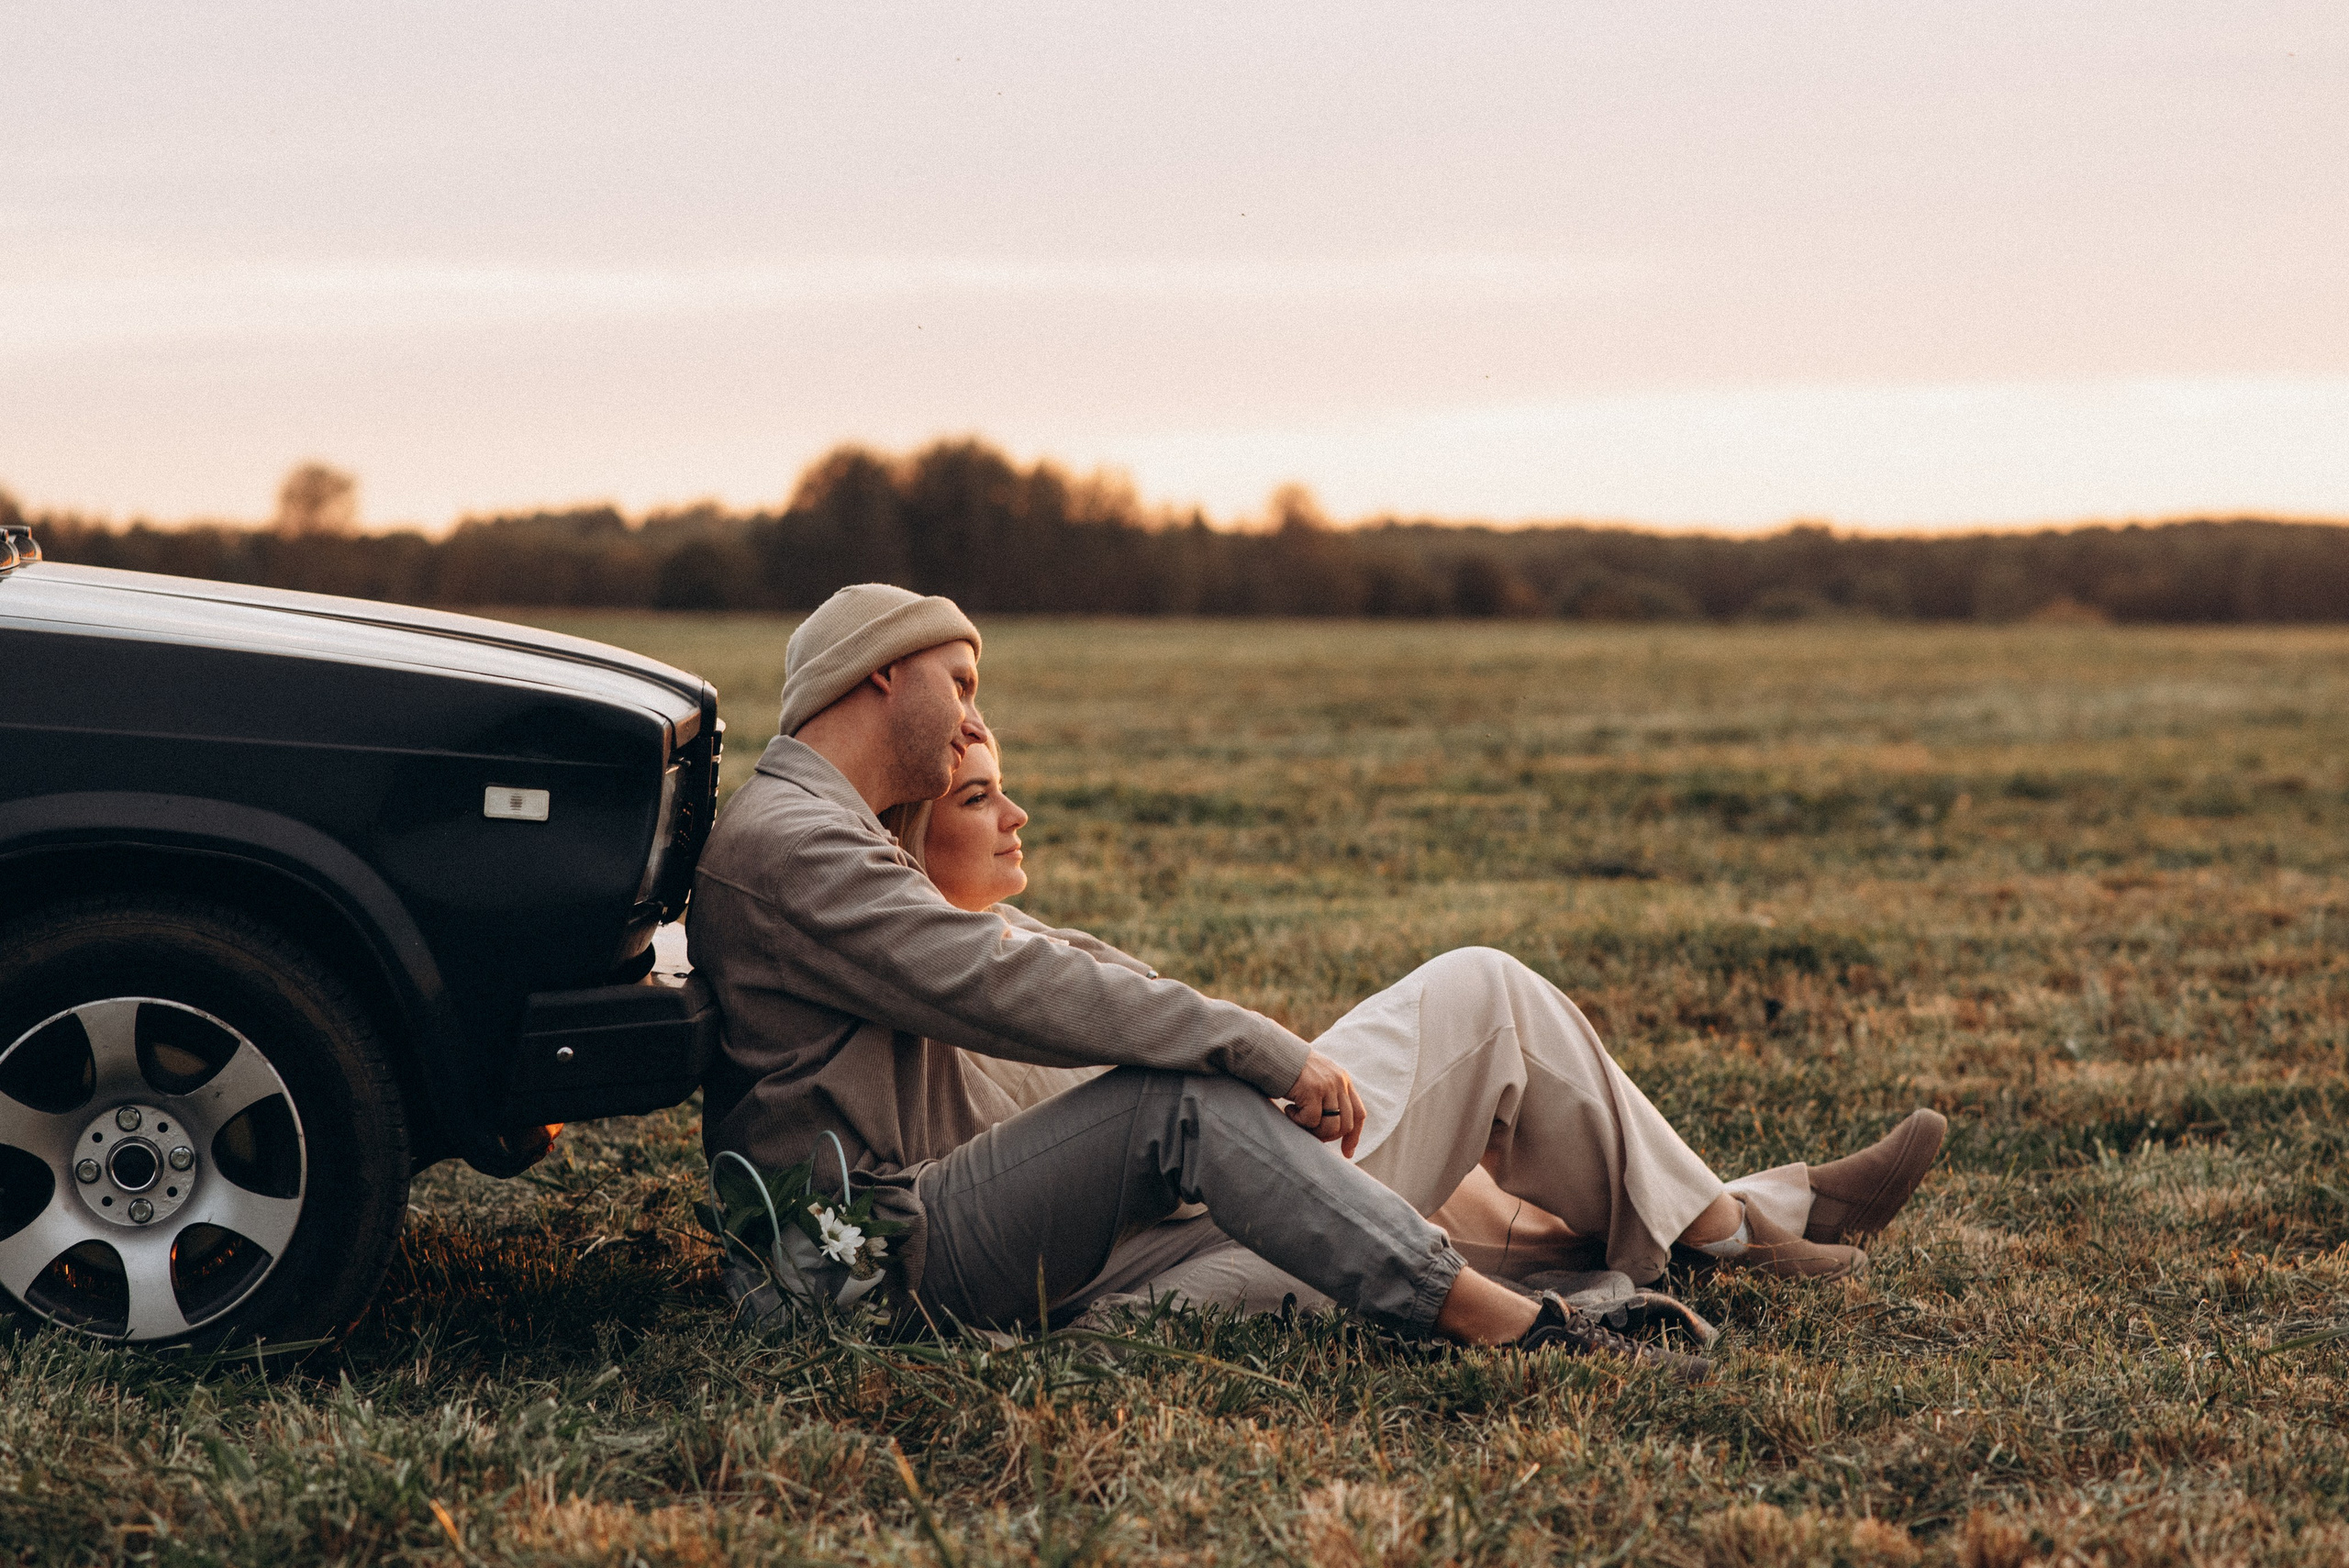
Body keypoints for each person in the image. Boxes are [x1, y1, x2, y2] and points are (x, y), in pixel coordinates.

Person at [883, 730, 1946, 1317]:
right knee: (1483, 1000)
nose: (1017, 814)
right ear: (909, 845)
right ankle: (1738, 1230)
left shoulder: (1018, 941)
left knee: (1474, 1021)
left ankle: (1747, 1217)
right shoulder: (933, 973)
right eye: (978, 801)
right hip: (1181, 1239)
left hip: (1212, 1184)